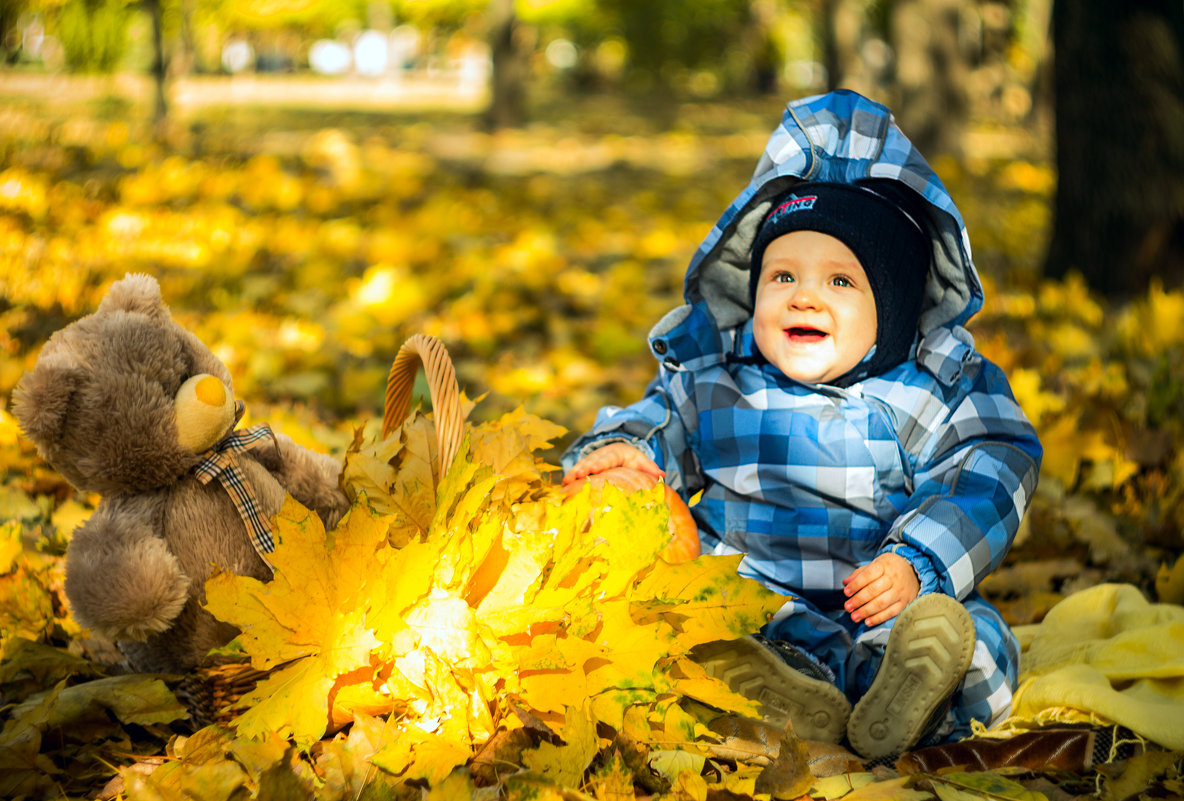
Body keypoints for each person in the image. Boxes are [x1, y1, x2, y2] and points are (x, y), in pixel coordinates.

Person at [561, 90, 1042, 759]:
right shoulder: (720, 378)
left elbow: (991, 467)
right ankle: (785, 699)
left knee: (966, 637)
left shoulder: (929, 392)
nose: (804, 295)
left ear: (895, 313)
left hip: (880, 603)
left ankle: (908, 697)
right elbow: (659, 419)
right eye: (781, 274)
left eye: (842, 282)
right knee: (694, 634)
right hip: (753, 602)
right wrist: (621, 452)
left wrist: (921, 560)